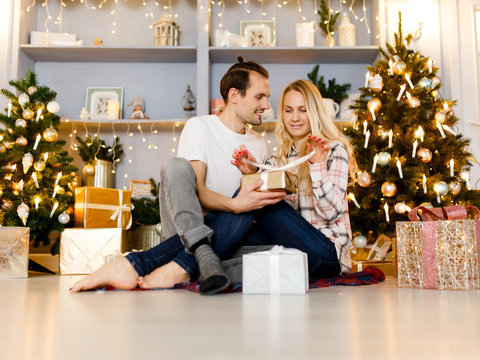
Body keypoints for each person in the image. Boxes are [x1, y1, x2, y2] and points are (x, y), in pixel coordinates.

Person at [70, 57, 286, 294]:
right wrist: (236, 205)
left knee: (285, 255)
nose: (266, 105)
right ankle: (200, 255)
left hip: (229, 234)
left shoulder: (258, 143)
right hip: (187, 230)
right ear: (234, 96)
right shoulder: (200, 127)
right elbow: (199, 194)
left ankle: (184, 266)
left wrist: (253, 178)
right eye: (260, 97)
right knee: (176, 167)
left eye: (267, 97)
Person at [138, 78, 358, 284]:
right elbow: (274, 220)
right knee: (228, 218)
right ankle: (185, 263)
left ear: (315, 112)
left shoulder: (333, 150)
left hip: (326, 255)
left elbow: (332, 212)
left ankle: (161, 264)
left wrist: (317, 166)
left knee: (253, 200)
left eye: (303, 110)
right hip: (290, 253)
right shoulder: (279, 158)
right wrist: (251, 173)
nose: (295, 117)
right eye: (288, 110)